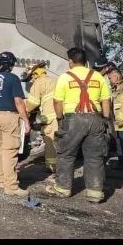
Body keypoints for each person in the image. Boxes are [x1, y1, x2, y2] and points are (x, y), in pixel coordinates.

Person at [46, 47, 112, 203]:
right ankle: (95, 193)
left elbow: (57, 101)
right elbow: (106, 100)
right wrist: (106, 119)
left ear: (70, 61)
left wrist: (60, 119)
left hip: (73, 119)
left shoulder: (65, 77)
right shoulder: (98, 76)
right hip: (95, 119)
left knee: (66, 155)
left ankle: (63, 189)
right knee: (94, 157)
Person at [0, 51, 31, 197]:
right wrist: (26, 121)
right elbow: (18, 101)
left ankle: (2, 181)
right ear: (12, 63)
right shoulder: (13, 78)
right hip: (9, 117)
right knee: (10, 151)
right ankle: (11, 187)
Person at [22, 62, 58, 173]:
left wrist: (24, 111)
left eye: (31, 77)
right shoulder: (55, 80)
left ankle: (52, 166)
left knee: (50, 141)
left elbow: (32, 103)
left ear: (35, 74)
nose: (31, 81)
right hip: (63, 116)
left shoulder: (38, 83)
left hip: (50, 118)